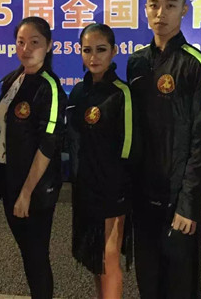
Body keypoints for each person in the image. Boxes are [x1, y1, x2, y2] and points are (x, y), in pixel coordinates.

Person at [127, 0, 201, 299]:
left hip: (178, 201)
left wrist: (188, 203)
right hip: (143, 199)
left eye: (170, 5)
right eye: (154, 5)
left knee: (180, 288)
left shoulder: (196, 66)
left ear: (184, 10)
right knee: (148, 285)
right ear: (145, 9)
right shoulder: (136, 63)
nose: (160, 13)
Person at [0, 16, 66, 299]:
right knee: (27, 252)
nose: (26, 49)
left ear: (49, 45)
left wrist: (26, 193)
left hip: (35, 187)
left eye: (34, 42)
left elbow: (48, 145)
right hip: (10, 179)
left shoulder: (49, 87)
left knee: (36, 256)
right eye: (21, 42)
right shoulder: (13, 80)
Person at [66, 23, 134, 299]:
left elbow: (129, 148)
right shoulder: (77, 93)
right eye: (87, 50)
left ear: (114, 51)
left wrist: (120, 190)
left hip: (112, 191)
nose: (93, 57)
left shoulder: (121, 93)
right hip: (85, 189)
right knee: (95, 259)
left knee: (108, 259)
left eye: (101, 49)